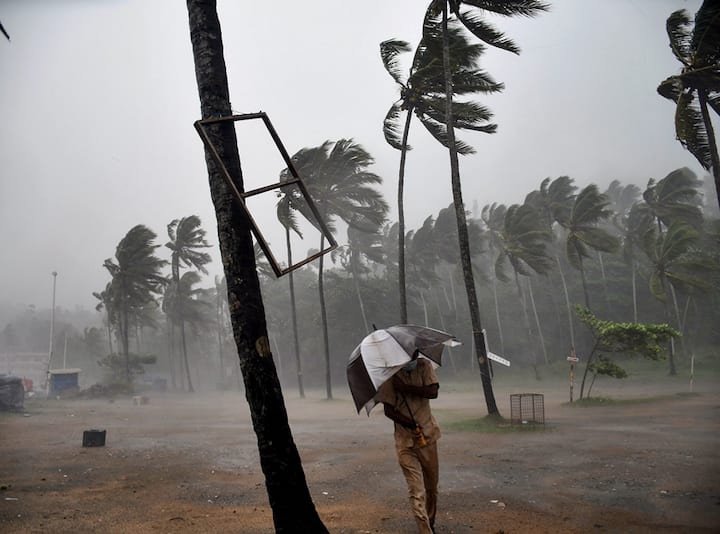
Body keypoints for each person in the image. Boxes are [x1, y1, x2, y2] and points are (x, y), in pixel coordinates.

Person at [378, 357, 441, 534]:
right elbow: (388, 410)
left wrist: (407, 389)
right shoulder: (389, 374)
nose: (410, 359)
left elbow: (433, 391)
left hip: (428, 436)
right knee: (416, 489)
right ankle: (425, 530)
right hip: (405, 441)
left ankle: (430, 520)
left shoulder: (424, 365)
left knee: (431, 487)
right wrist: (410, 424)